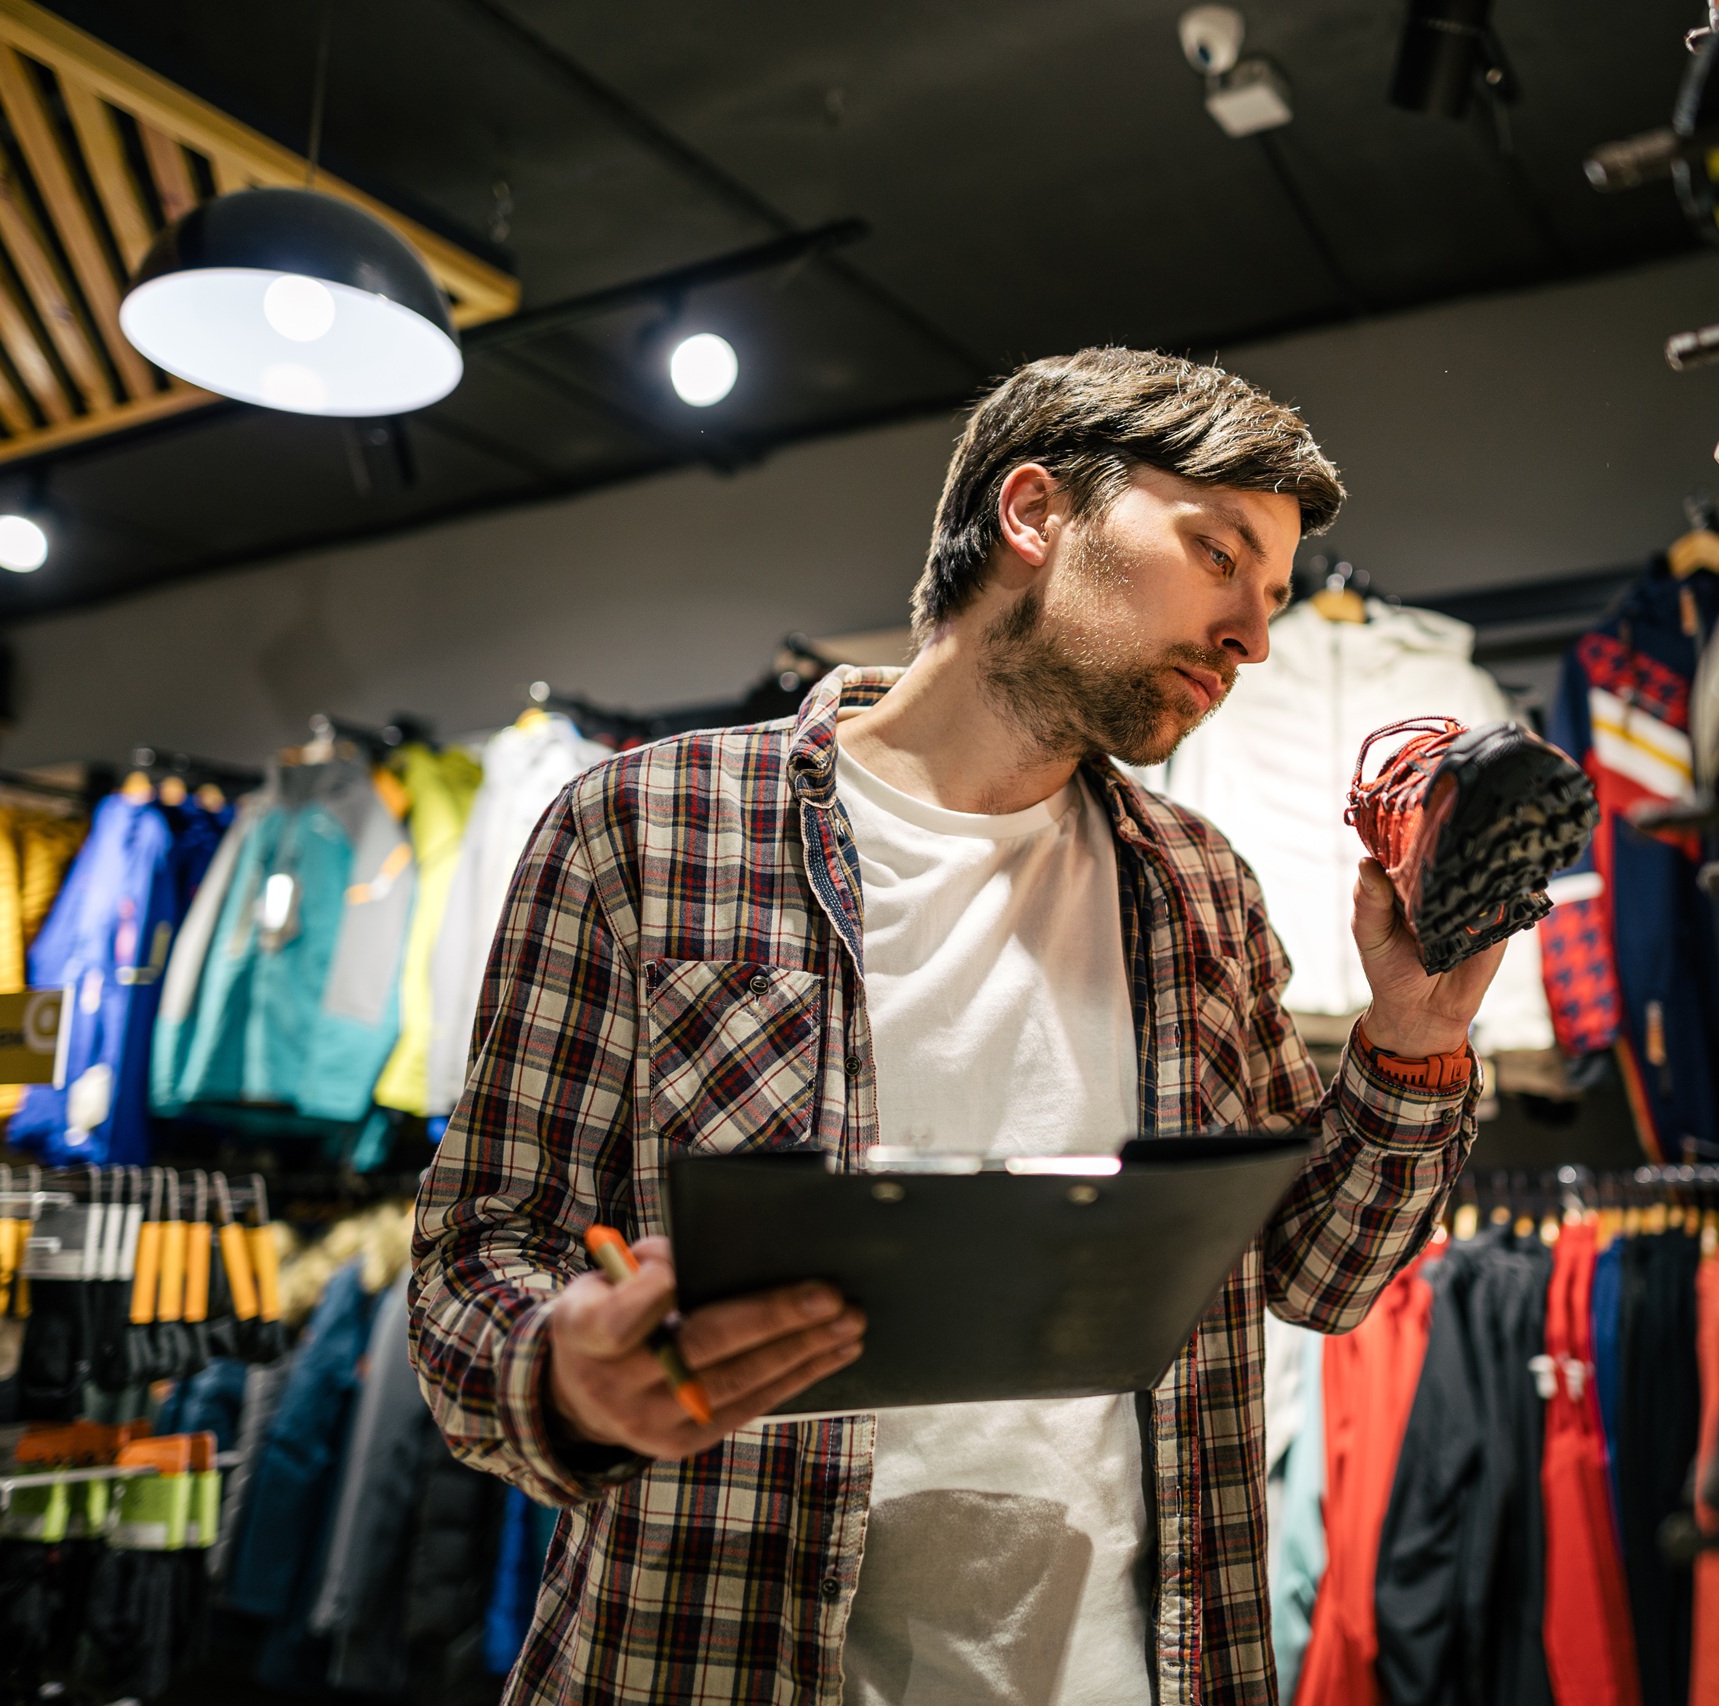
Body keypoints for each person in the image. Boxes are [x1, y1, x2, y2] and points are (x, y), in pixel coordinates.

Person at [410, 347, 1502, 1706]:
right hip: (714, 1656)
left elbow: (1314, 1275)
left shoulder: (1199, 886)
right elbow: (474, 1256)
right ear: (1034, 512)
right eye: (1217, 554)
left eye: (1272, 596)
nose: (1252, 638)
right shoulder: (648, 828)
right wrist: (564, 1377)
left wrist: (1414, 1034)